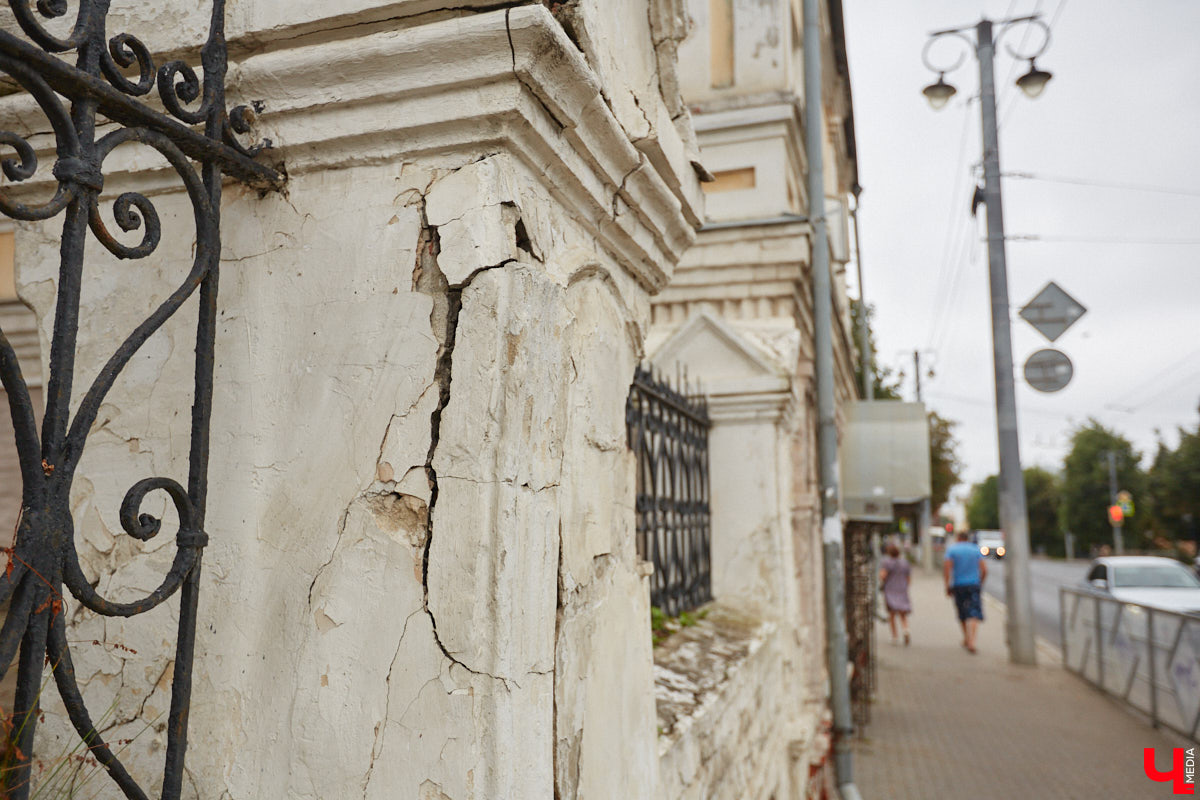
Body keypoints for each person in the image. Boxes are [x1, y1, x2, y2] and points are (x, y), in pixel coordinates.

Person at [943, 531, 987, 653]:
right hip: (973, 584)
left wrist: (947, 586)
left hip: (958, 585)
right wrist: (980, 582)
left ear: (958, 538)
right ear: (967, 539)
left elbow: (947, 568)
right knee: (974, 612)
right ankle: (972, 640)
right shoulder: (975, 550)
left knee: (962, 612)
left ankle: (966, 638)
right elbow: (984, 569)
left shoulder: (952, 550)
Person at [879, 543, 912, 645]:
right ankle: (906, 629)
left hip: (890, 589)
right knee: (902, 613)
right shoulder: (905, 563)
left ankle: (895, 636)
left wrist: (881, 577)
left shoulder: (887, 563)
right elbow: (908, 578)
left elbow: (883, 575)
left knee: (892, 614)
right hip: (902, 589)